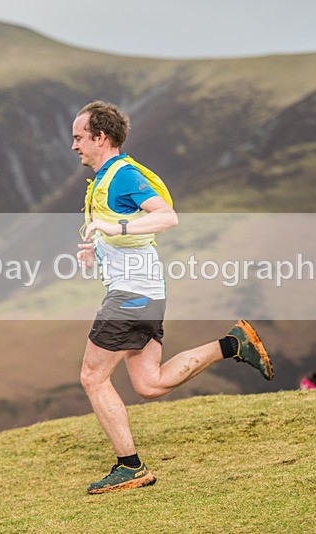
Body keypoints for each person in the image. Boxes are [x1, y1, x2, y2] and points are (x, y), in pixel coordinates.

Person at [72, 100, 274, 494]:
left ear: (101, 137)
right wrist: (96, 252)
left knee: (92, 377)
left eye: (79, 137)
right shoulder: (104, 179)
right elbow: (129, 236)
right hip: (142, 293)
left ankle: (130, 467)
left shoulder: (122, 175)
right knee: (149, 383)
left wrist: (117, 229)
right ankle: (233, 344)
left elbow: (167, 216)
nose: (74, 146)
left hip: (132, 295)